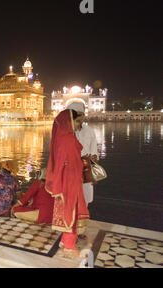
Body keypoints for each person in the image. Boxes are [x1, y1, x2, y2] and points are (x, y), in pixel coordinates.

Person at [45, 109, 89, 258]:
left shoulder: (63, 137)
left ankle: (64, 241)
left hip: (66, 180)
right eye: (77, 122)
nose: (79, 125)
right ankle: (69, 247)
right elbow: (69, 163)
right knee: (71, 211)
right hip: (69, 182)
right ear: (68, 121)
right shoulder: (67, 140)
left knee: (68, 210)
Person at [66, 102, 99, 206]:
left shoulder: (89, 131)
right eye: (76, 115)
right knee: (69, 199)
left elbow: (94, 151)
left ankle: (83, 220)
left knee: (85, 200)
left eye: (80, 114)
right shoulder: (64, 131)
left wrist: (93, 167)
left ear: (84, 115)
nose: (79, 117)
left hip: (85, 169)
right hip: (70, 170)